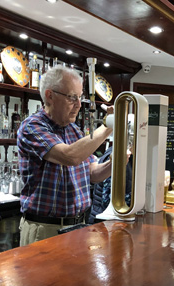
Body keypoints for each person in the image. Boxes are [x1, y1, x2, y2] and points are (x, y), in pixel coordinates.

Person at [17, 65, 113, 246]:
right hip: (45, 229)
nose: (78, 104)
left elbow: (92, 173)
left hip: (79, 226)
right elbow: (70, 157)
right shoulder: (32, 127)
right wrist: (109, 125)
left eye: (80, 97)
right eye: (72, 97)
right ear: (49, 96)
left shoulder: (73, 130)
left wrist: (116, 162)